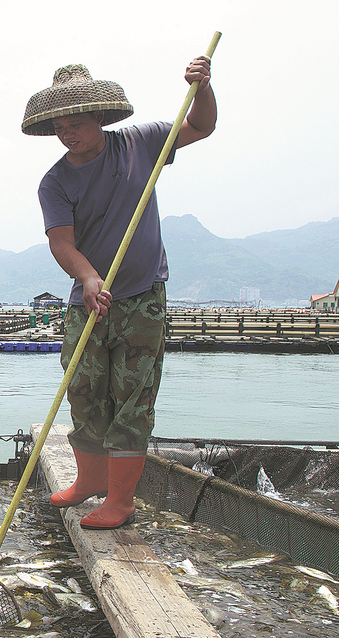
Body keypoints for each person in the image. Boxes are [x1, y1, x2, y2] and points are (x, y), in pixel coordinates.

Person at [22, 55, 216, 528]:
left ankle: (121, 501)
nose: (69, 134)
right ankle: (90, 480)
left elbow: (201, 125)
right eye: (60, 126)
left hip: (141, 296)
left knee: (132, 396)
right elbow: (62, 243)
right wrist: (88, 278)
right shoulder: (55, 181)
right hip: (88, 300)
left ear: (101, 118)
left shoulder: (140, 142)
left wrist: (203, 87)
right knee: (84, 391)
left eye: (78, 124)